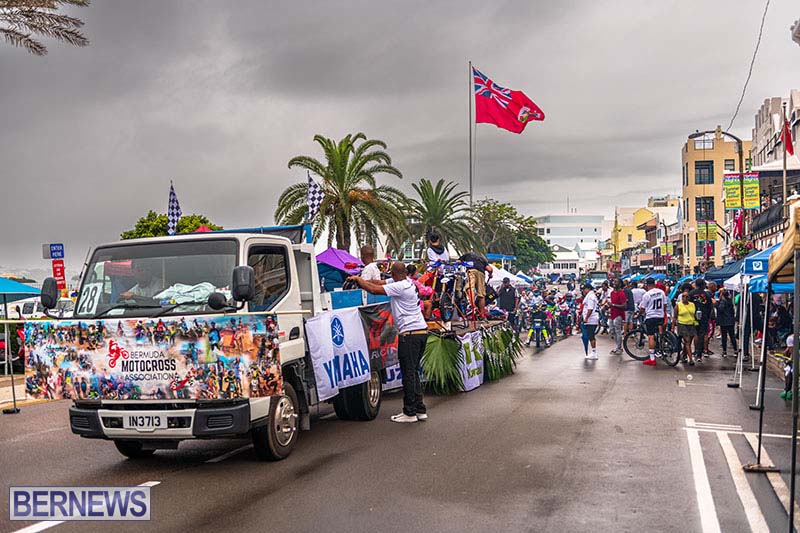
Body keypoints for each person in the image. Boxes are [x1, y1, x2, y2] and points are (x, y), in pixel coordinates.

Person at [350, 261, 428, 423]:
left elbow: (373, 289)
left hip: (410, 335)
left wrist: (359, 280)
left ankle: (410, 412)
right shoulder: (405, 282)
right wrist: (359, 279)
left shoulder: (400, 287)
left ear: (393, 274)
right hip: (421, 332)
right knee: (413, 372)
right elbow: (378, 282)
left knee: (408, 374)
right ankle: (420, 409)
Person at [639, 277, 667, 366]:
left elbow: (642, 308)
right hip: (660, 316)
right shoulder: (661, 292)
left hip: (651, 317)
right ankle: (661, 347)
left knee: (651, 336)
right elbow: (664, 304)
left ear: (647, 285)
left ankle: (652, 358)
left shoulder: (647, 294)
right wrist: (663, 313)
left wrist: (638, 314)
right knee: (660, 333)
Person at [459, 251, 493, 319]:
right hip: (481, 273)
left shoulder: (466, 255)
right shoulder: (481, 259)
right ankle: (482, 314)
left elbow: (458, 261)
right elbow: (490, 269)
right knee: (481, 294)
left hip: (471, 270)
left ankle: (472, 305)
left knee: (470, 286)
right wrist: (490, 274)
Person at [689, 279, 712, 361]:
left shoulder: (691, 293)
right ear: (703, 285)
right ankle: (699, 354)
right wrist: (708, 316)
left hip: (693, 317)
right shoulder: (707, 294)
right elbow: (710, 307)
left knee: (694, 335)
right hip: (704, 317)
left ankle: (694, 351)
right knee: (702, 335)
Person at [674, 288, 698, 366]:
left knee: (689, 341)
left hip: (691, 324)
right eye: (683, 296)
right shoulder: (678, 305)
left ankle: (683, 355)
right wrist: (672, 326)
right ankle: (690, 359)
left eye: (687, 296)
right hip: (682, 324)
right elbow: (675, 316)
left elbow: (694, 314)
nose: (685, 298)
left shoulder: (692, 305)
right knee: (687, 341)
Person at [715, 289, 737, 357]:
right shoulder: (730, 301)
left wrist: (715, 304)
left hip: (724, 321)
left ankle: (724, 351)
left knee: (724, 337)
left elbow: (720, 309)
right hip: (730, 321)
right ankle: (735, 350)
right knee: (732, 336)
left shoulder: (723, 301)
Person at [580, 282, 599, 359]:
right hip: (591, 319)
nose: (583, 291)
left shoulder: (590, 297)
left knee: (591, 336)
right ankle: (593, 352)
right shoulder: (590, 296)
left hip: (591, 319)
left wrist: (586, 318)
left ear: (588, 289)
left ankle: (594, 352)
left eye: (584, 289)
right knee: (590, 335)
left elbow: (590, 309)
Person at [608, 279, 627, 355]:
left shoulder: (621, 293)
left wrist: (613, 305)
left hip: (618, 314)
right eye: (614, 282)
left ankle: (619, 347)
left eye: (616, 282)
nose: (614, 283)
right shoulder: (612, 293)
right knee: (612, 330)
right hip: (612, 314)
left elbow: (624, 306)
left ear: (620, 284)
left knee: (617, 331)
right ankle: (618, 346)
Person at [781, 333, 794, 400]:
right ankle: (787, 390)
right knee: (789, 369)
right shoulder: (791, 338)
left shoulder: (790, 338)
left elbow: (793, 354)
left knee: (790, 369)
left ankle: (787, 390)